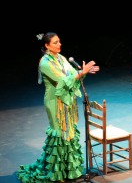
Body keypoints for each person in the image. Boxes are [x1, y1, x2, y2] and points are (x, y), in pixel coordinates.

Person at [17, 32, 100, 182]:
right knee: (59, 134)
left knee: (69, 133)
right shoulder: (44, 63)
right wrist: (81, 73)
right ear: (47, 46)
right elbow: (62, 80)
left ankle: (70, 171)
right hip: (55, 102)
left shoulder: (61, 58)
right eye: (55, 43)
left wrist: (82, 72)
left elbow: (73, 74)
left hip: (67, 100)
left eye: (59, 41)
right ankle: (56, 173)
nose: (59, 44)